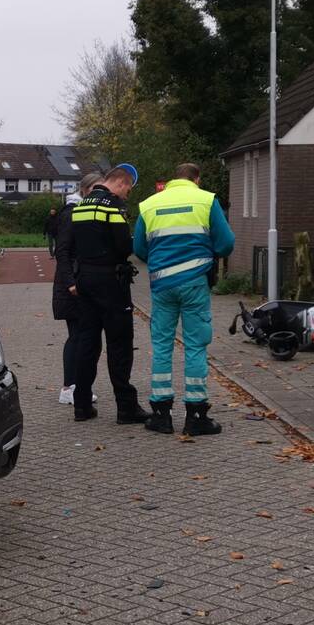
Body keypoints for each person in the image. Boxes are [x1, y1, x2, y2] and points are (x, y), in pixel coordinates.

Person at [133, 163, 235, 436]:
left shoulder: (150, 204)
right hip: (194, 283)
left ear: (172, 179)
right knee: (195, 345)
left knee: (162, 345)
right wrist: (205, 253)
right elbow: (226, 243)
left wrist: (161, 261)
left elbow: (139, 247)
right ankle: (196, 415)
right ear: (196, 179)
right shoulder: (206, 200)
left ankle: (161, 415)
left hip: (161, 285)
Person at [59, 163, 150, 424]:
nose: (127, 195)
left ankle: (82, 405)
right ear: (121, 183)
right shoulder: (113, 206)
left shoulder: (81, 206)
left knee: (87, 343)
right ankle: (126, 407)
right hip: (111, 282)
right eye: (128, 190)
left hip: (85, 281)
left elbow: (73, 245)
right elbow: (123, 247)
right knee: (119, 344)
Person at [53, 173, 103, 405]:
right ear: (84, 189)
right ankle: (69, 387)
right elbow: (62, 250)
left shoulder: (86, 211)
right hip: (72, 286)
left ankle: (77, 386)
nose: (98, 193)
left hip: (82, 282)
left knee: (84, 336)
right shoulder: (72, 213)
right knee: (77, 336)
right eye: (94, 188)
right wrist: (70, 282)